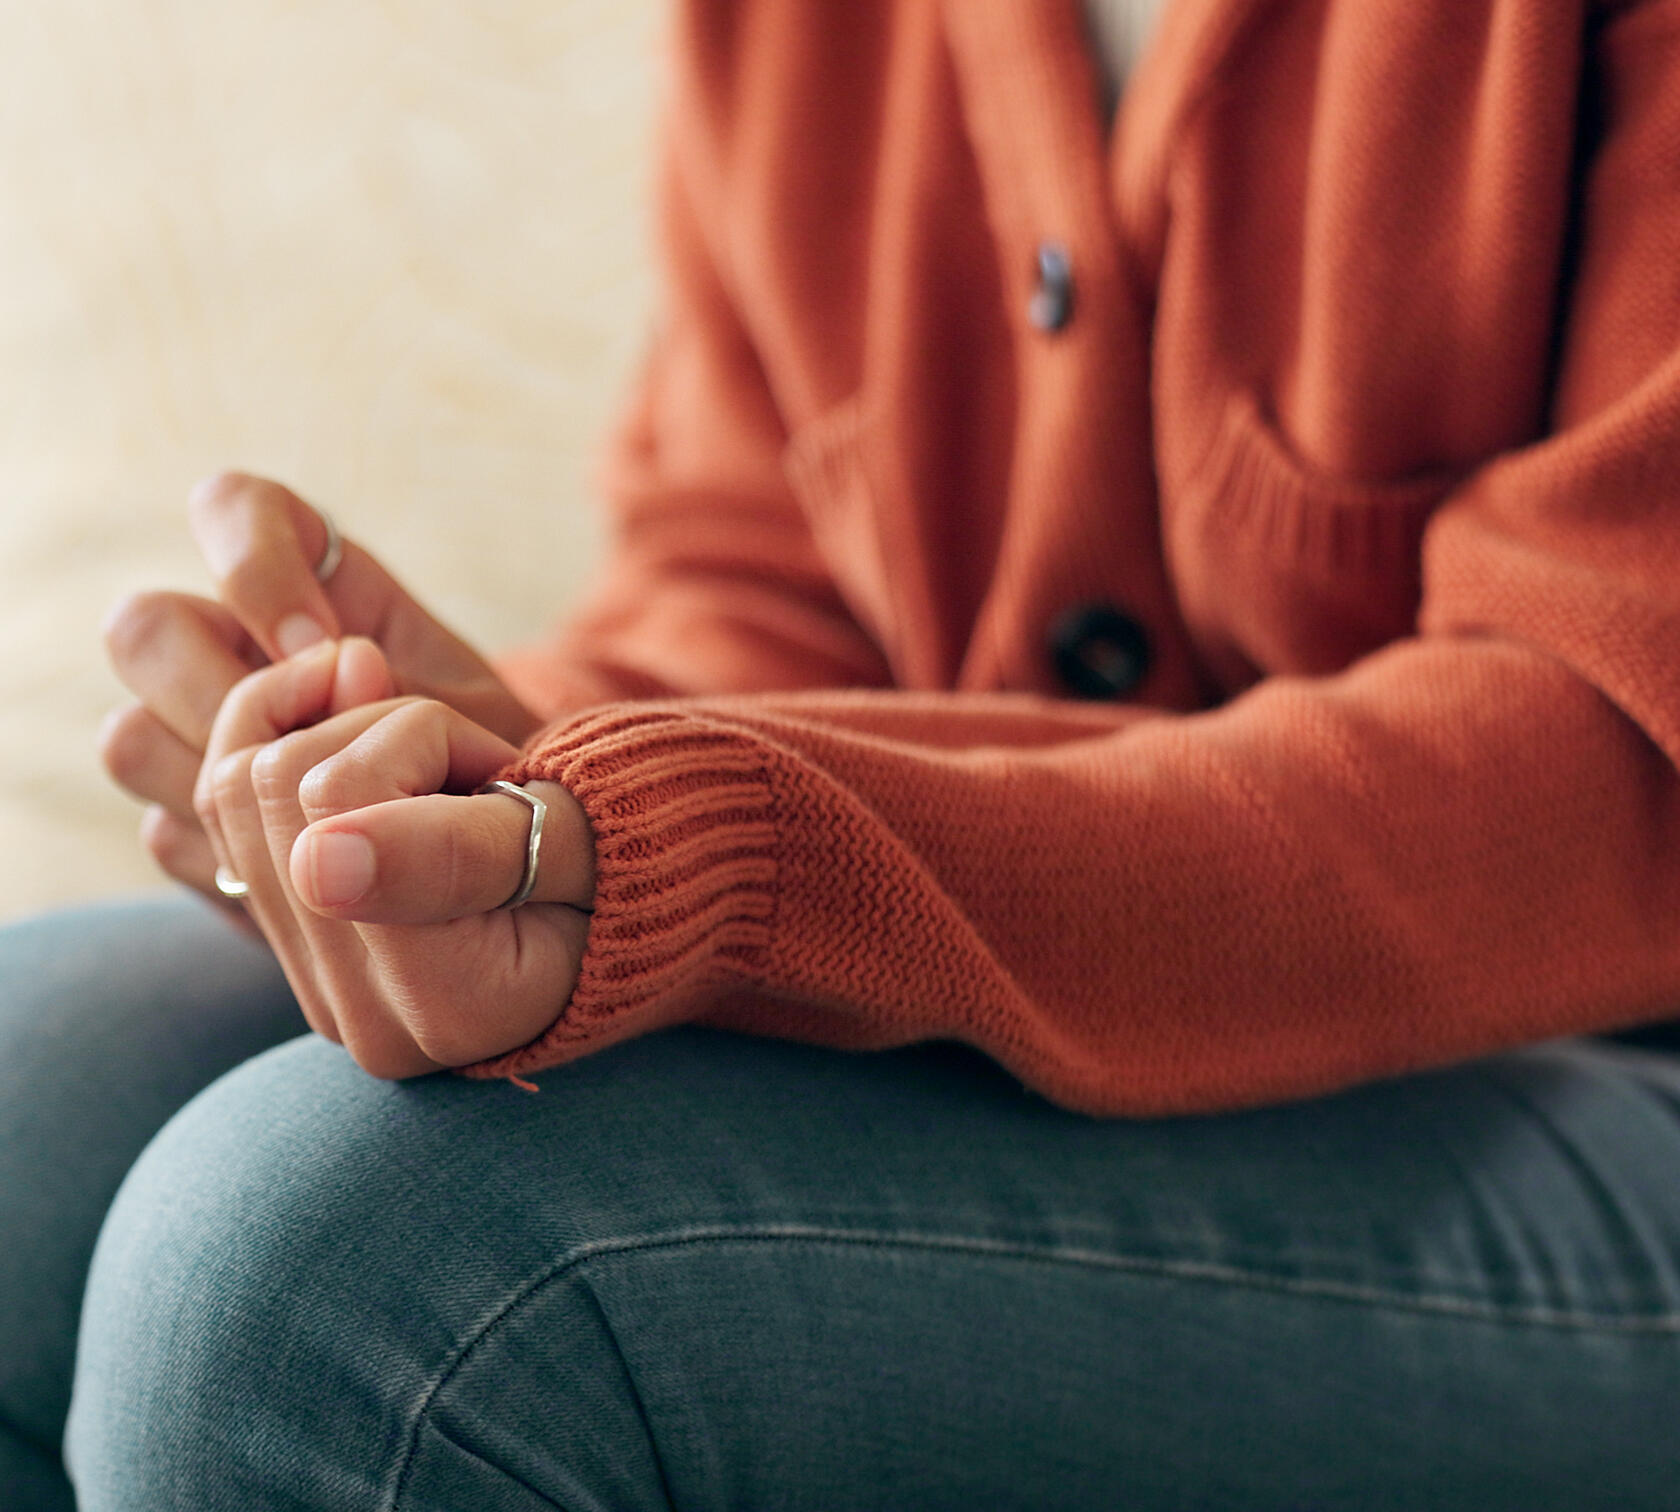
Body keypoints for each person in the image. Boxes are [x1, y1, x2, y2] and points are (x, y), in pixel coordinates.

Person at [5, 0, 1680, 1505]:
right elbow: (768, 590)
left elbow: (1601, 746)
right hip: (1069, 997)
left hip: (1622, 1078)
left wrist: (734, 857)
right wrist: (494, 781)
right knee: (27, 1086)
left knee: (344, 1267)